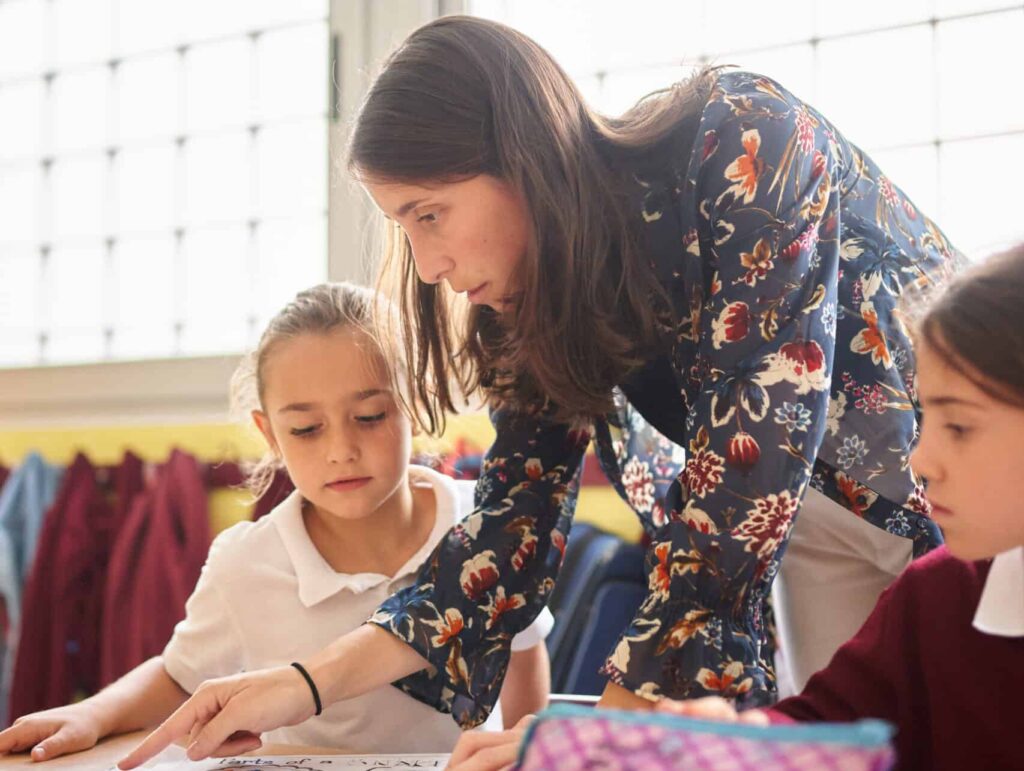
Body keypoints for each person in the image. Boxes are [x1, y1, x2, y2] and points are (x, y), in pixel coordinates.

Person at [117, 15, 964, 767]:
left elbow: (753, 457)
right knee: (867, 747)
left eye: (430, 214)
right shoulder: (531, 299)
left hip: (967, 477)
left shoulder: (743, 137)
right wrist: (303, 682)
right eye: (402, 227)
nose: (426, 265)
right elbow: (507, 532)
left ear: (514, 157)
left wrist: (594, 735)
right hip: (808, 525)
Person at [445, 244, 1024, 771]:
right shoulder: (935, 598)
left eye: (961, 426)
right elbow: (820, 727)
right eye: (929, 419)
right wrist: (710, 741)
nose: (922, 462)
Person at [0, 283, 551, 763]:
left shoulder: (487, 523)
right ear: (269, 435)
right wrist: (92, 715)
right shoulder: (247, 561)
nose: (342, 450)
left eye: (369, 417)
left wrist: (528, 751)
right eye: (307, 429)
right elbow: (178, 676)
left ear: (412, 403)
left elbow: (525, 650)